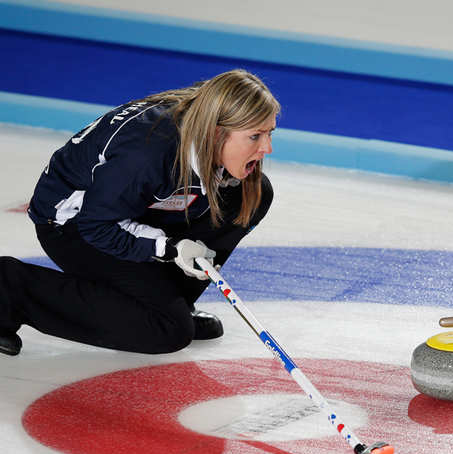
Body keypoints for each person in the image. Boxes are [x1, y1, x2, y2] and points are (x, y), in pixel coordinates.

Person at [0, 69, 280, 356]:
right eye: (255, 136)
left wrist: (171, 252)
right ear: (217, 132)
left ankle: (172, 301)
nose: (267, 148)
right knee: (166, 329)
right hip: (75, 225)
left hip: (131, 207)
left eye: (269, 133)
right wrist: (168, 248)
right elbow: (97, 225)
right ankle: (10, 290)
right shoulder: (147, 154)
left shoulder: (204, 122)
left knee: (251, 195)